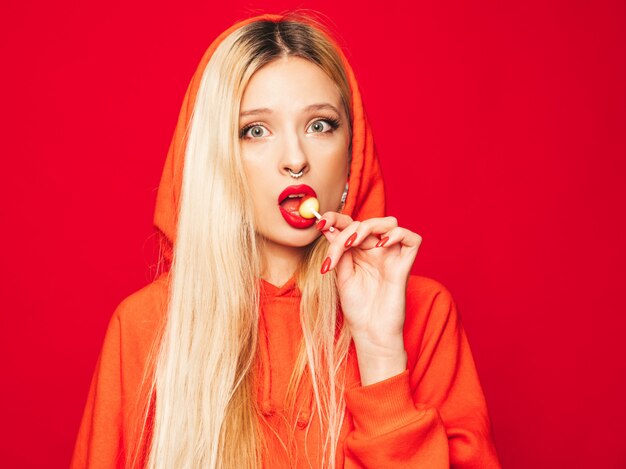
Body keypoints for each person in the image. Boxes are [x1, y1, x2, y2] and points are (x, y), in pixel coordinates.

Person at [70, 11, 502, 469]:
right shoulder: (144, 327)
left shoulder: (423, 313)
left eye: (320, 125)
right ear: (217, 161)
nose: (295, 159)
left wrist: (380, 353)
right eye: (255, 130)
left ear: (352, 156)